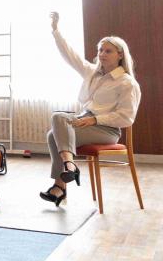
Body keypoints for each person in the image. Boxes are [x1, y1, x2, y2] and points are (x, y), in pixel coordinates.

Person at [40, 11, 141, 206]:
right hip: (85, 121)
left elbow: (126, 117)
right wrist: (56, 31)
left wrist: (95, 119)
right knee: (57, 122)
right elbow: (70, 55)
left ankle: (62, 182)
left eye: (108, 51)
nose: (102, 54)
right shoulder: (92, 73)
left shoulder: (127, 83)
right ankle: (67, 173)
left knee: (54, 134)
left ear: (120, 55)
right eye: (100, 50)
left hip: (107, 130)